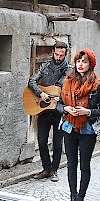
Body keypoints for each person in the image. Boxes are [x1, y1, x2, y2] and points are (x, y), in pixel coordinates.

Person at [57, 49, 100, 201]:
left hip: (87, 129)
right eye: (79, 61)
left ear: (90, 64)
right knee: (71, 164)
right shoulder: (67, 81)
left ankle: (81, 198)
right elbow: (58, 104)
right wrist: (66, 108)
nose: (80, 64)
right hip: (69, 126)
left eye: (84, 61)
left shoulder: (97, 85)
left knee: (84, 165)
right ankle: (72, 197)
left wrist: (88, 112)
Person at [28, 41, 70, 182]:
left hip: (58, 111)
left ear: (65, 54)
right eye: (56, 54)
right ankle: (46, 169)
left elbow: (60, 86)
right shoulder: (45, 66)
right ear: (53, 52)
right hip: (44, 109)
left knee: (57, 143)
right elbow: (32, 81)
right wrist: (40, 93)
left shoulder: (69, 70)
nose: (58, 57)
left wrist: (56, 93)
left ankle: (54, 170)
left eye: (61, 55)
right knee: (42, 141)